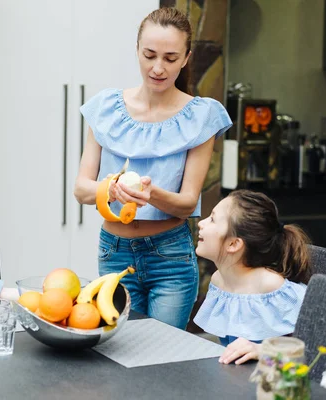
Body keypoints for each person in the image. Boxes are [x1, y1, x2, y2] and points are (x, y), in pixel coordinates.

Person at [74, 7, 232, 330]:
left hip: (170, 256)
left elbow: (188, 203)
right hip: (114, 252)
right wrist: (111, 188)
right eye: (149, 55)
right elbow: (81, 189)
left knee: (163, 363)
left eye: (171, 58)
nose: (158, 68)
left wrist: (151, 194)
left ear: (186, 58)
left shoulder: (200, 116)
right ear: (137, 51)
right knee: (119, 355)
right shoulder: (105, 108)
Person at [192, 190, 312, 364]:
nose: (201, 223)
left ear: (233, 244)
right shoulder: (218, 281)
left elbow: (317, 345)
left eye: (212, 219)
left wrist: (262, 350)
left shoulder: (272, 286)